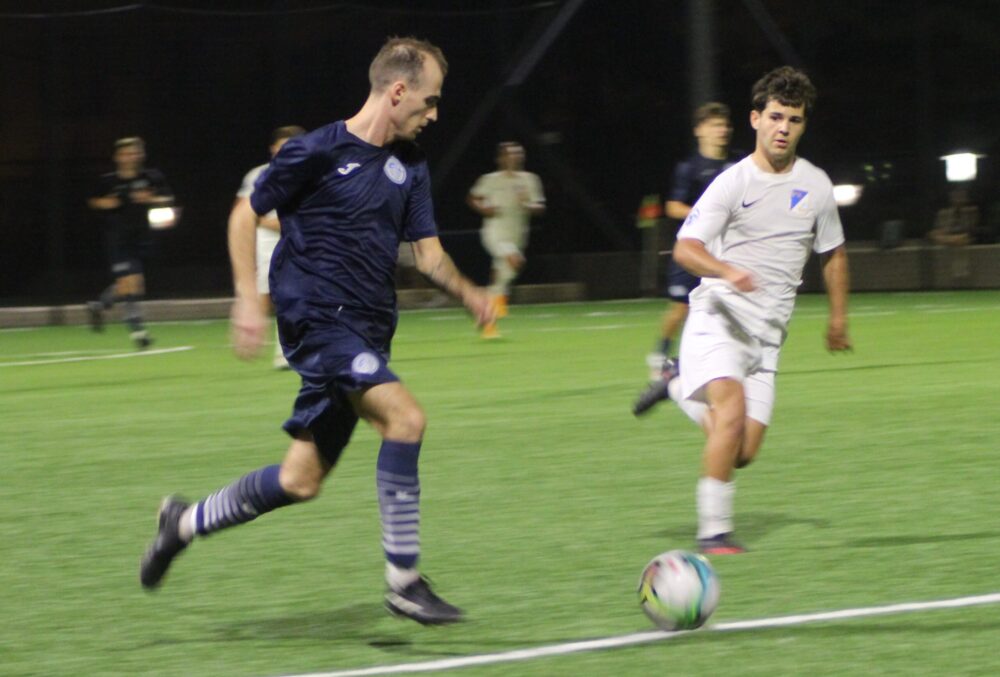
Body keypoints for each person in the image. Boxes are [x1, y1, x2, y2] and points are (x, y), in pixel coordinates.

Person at [140, 37, 493, 625]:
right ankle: (404, 583)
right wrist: (247, 299)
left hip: (368, 332)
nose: (435, 114)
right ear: (397, 91)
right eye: (430, 100)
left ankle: (182, 522)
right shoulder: (318, 150)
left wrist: (470, 294)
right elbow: (244, 214)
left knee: (299, 480)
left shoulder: (411, 166)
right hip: (320, 323)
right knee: (406, 419)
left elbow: (428, 256)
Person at [636, 66, 851, 554]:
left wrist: (838, 319)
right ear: (755, 119)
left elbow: (834, 254)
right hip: (718, 319)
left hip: (767, 338)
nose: (783, 128)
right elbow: (686, 247)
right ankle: (715, 534)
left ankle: (675, 384)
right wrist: (726, 271)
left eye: (794, 120)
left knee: (742, 452)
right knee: (729, 415)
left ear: (803, 125)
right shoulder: (732, 183)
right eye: (775, 117)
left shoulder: (816, 185)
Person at [641, 102, 739, 385]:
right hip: (692, 249)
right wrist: (706, 215)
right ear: (700, 131)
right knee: (681, 308)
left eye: (725, 125)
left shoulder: (738, 163)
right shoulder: (689, 168)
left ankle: (720, 360)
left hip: (725, 251)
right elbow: (672, 207)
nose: (722, 130)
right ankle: (660, 355)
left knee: (728, 305)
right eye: (715, 125)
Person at [87, 137, 175, 348]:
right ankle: (138, 333)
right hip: (118, 240)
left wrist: (150, 199)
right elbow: (94, 201)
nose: (131, 157)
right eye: (126, 153)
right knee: (132, 284)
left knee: (130, 285)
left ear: (141, 155)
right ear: (117, 157)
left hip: (143, 239)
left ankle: (98, 306)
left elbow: (168, 199)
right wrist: (107, 203)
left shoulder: (151, 177)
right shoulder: (109, 181)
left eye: (135, 152)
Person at [231, 125, 306, 369]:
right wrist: (261, 224)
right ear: (272, 149)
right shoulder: (258, 175)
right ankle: (258, 335)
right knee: (267, 293)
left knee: (297, 292)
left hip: (302, 238)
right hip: (267, 240)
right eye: (280, 148)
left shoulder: (312, 173)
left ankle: (286, 350)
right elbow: (242, 211)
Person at [466, 141, 545, 338]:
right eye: (510, 154)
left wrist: (526, 204)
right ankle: (493, 307)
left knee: (503, 277)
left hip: (517, 234)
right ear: (500, 158)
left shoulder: (531, 180)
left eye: (518, 153)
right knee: (513, 259)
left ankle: (487, 320)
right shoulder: (489, 180)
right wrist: (484, 209)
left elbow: (539, 207)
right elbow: (473, 197)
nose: (515, 157)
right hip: (494, 232)